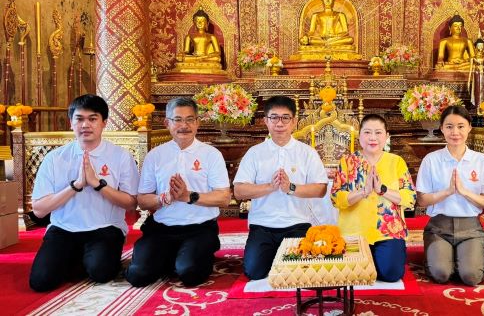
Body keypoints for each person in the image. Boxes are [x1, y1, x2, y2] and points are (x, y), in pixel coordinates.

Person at [29, 94, 139, 292]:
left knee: (101, 273)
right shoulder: (54, 158)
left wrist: (98, 184)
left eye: (93, 119)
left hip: (105, 228)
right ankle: (79, 257)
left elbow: (131, 203)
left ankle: (88, 258)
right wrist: (76, 186)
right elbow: (38, 210)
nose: (85, 125)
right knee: (40, 282)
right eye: (79, 119)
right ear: (71, 123)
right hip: (64, 229)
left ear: (104, 123)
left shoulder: (121, 156)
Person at [125, 97, 231, 287]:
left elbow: (224, 197)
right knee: (138, 276)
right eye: (178, 120)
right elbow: (142, 200)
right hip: (161, 229)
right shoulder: (155, 156)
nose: (184, 125)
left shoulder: (211, 154)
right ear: (167, 123)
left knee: (190, 274)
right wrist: (163, 198)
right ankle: (173, 255)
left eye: (190, 119)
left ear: (197, 123)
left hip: (199, 228)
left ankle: (189, 254)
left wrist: (187, 196)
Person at [233, 95, 328, 280]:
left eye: (285, 118)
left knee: (299, 272)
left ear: (294, 122)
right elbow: (239, 191)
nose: (279, 123)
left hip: (297, 224)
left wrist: (290, 188)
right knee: (254, 272)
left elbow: (320, 189)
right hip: (262, 225)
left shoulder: (307, 153)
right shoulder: (255, 153)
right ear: (265, 121)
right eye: (274, 117)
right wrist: (270, 187)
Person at [331, 114, 416, 282]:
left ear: (386, 136)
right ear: (359, 136)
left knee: (391, 274)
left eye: (378, 133)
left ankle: (376, 262)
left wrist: (382, 190)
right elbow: (336, 198)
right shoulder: (347, 161)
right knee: (352, 276)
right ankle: (368, 262)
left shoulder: (396, 162)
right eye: (367, 132)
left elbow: (410, 197)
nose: (373, 138)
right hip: (354, 231)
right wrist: (363, 192)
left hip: (388, 231)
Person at [416, 106, 484, 285]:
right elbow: (422, 200)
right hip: (438, 227)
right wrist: (447, 192)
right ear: (442, 128)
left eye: (461, 126)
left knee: (471, 277)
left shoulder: (481, 161)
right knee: (440, 274)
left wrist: (464, 192)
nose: (455, 132)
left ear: (469, 128)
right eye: (449, 126)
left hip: (470, 228)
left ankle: (463, 258)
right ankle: (441, 257)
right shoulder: (431, 160)